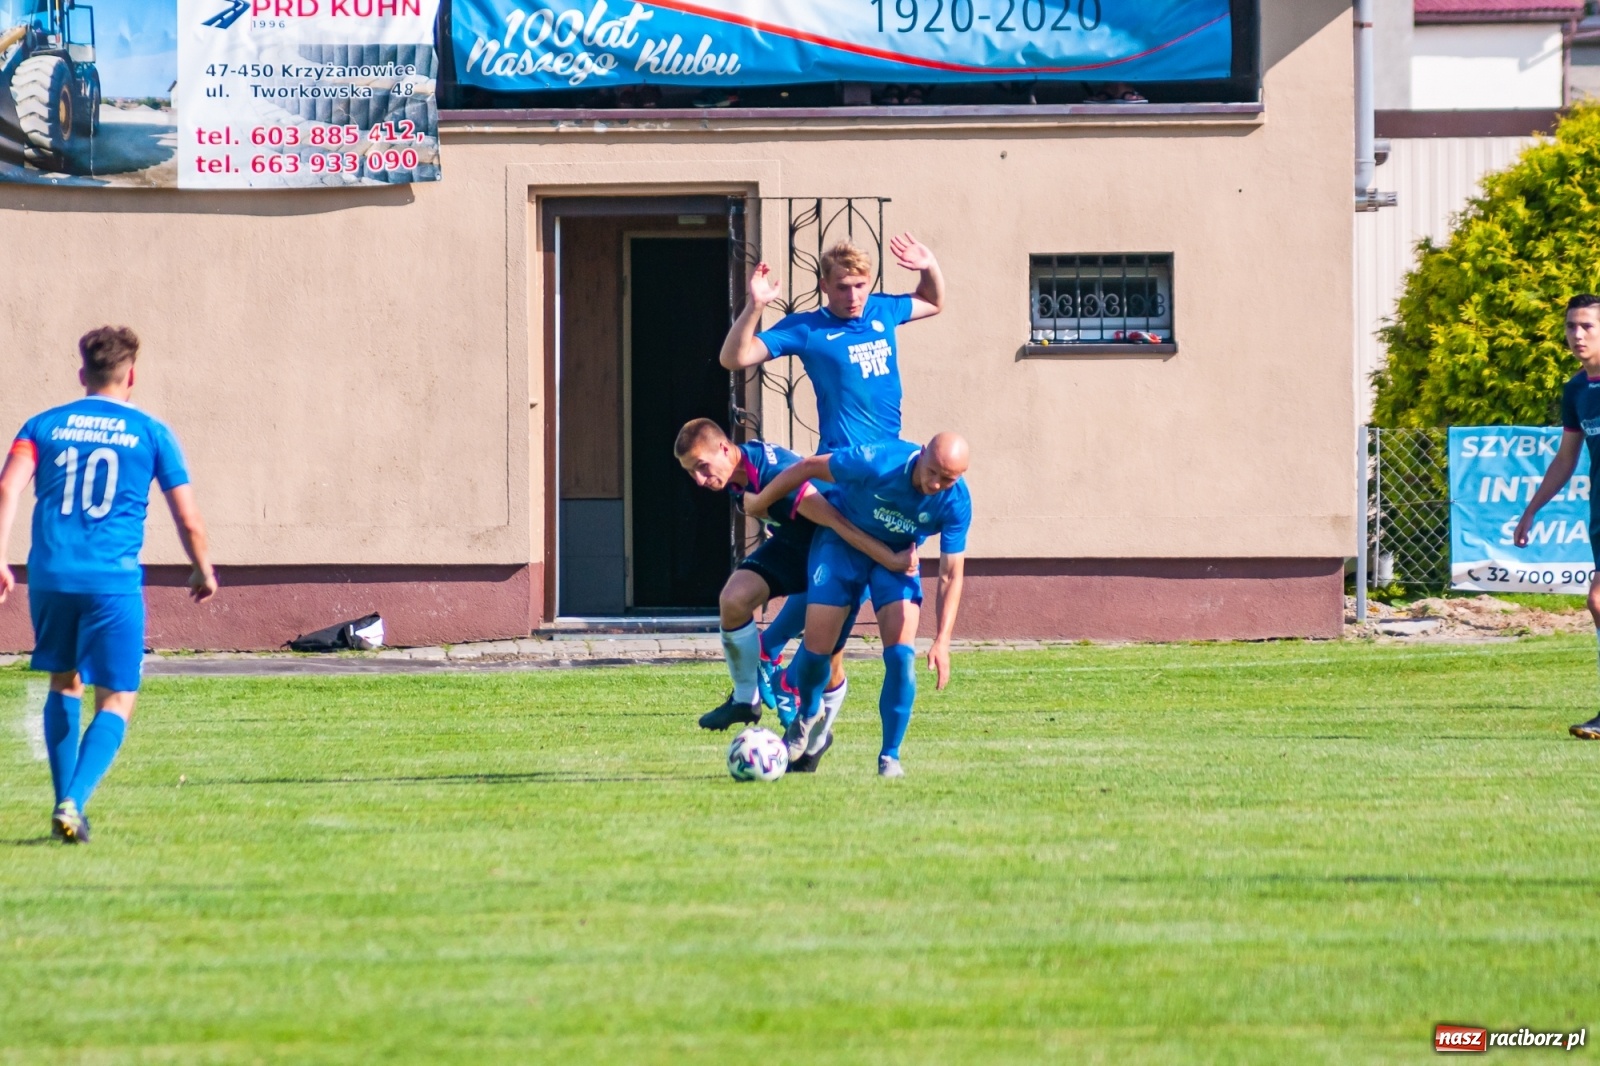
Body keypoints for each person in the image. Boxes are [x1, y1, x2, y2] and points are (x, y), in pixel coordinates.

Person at [0, 326, 217, 843]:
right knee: (118, 696)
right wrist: (202, 567)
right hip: (111, 580)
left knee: (64, 681)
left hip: (50, 577)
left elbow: (8, 485)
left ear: (83, 375)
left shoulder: (42, 425)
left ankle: (63, 805)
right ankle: (73, 801)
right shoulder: (151, 433)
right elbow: (188, 519)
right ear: (132, 375)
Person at [674, 418, 914, 771]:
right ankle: (745, 699)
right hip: (797, 545)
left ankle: (817, 741)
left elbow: (837, 523)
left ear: (725, 449)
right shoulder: (739, 472)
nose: (698, 479)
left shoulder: (777, 477)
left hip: (840, 549)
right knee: (733, 599)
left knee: (827, 661)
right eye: (691, 472)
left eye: (702, 467)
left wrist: (889, 558)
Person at [745, 433, 970, 777]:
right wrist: (762, 502)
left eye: (948, 478)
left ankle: (890, 757)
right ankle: (807, 717)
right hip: (841, 544)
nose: (937, 484)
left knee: (901, 657)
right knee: (817, 651)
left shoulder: (955, 501)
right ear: (922, 453)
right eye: (934, 472)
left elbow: (951, 574)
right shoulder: (876, 460)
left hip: (895, 561)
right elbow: (807, 467)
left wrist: (942, 640)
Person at [719, 233, 944, 454]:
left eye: (859, 285)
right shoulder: (806, 328)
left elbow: (932, 302)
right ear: (824, 286)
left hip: (887, 456)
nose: (853, 297)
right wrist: (755, 306)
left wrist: (929, 266)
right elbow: (733, 358)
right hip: (840, 461)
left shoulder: (884, 309)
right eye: (843, 287)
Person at [1516, 294, 1600, 738]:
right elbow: (1566, 459)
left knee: (1598, 601)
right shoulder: (1577, 390)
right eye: (1571, 327)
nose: (1577, 335)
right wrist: (1531, 511)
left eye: (1587, 325)